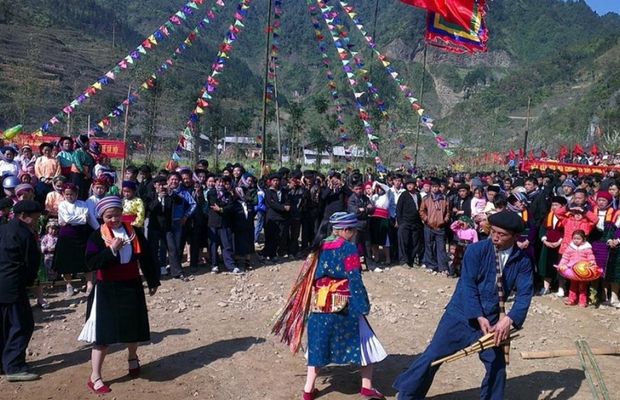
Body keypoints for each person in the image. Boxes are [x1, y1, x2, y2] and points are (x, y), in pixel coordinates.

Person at [394, 210, 534, 400]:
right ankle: (407, 395)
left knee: (497, 366)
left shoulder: (523, 261)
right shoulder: (476, 250)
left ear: (515, 237)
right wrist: (478, 315)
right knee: (433, 357)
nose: (495, 237)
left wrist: (509, 319)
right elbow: (467, 284)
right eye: (493, 231)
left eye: (501, 234)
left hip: (493, 321)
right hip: (461, 314)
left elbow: (525, 294)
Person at [78, 196, 160, 394]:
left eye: (117, 214)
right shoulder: (96, 237)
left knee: (132, 326)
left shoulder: (134, 232)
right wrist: (112, 250)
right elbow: (90, 262)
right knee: (103, 333)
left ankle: (133, 357)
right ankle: (95, 376)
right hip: (107, 288)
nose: (114, 219)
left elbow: (147, 256)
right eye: (109, 216)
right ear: (102, 217)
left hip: (131, 284)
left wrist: (152, 280)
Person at [303, 212, 386, 400]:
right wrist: (362, 305)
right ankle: (367, 386)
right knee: (366, 342)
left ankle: (308, 390)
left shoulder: (319, 246)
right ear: (346, 230)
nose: (355, 233)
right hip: (344, 303)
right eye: (354, 230)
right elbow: (354, 279)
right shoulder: (349, 249)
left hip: (321, 303)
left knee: (318, 344)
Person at [0, 200, 43, 382]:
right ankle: (14, 366)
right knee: (22, 324)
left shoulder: (3, 229)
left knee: (4, 325)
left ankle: (3, 364)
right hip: (13, 284)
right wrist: (29, 282)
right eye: (35, 217)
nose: (36, 221)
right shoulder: (25, 234)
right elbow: (31, 263)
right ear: (24, 216)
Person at [52, 183, 97, 296]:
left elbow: (87, 217)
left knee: (86, 258)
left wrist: (97, 229)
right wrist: (81, 218)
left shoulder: (83, 204)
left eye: (71, 194)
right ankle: (69, 284)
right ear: (63, 194)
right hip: (67, 234)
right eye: (66, 194)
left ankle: (89, 284)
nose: (69, 196)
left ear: (76, 194)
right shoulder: (62, 205)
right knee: (67, 260)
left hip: (82, 234)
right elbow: (67, 219)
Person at [557, 230, 596, 307]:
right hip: (572, 270)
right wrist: (561, 265)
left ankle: (582, 301)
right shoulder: (570, 247)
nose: (576, 240)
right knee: (572, 285)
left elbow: (591, 258)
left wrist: (592, 264)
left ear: (584, 239)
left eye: (578, 239)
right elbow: (565, 257)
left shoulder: (587, 248)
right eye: (574, 238)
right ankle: (572, 299)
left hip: (583, 271)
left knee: (583, 286)